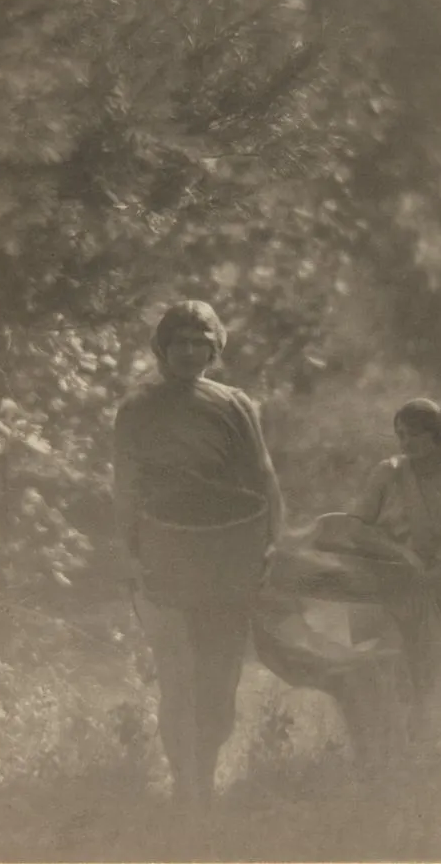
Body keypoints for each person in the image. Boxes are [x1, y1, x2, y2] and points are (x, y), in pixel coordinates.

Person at [113, 301, 284, 809]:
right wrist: (127, 551)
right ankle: (186, 786)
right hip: (164, 550)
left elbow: (263, 476)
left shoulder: (234, 404)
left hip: (226, 549)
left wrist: (273, 541)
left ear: (215, 347)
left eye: (199, 342)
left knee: (219, 674)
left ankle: (204, 773)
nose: (189, 352)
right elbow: (125, 483)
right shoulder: (138, 408)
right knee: (176, 671)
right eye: (179, 342)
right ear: (162, 348)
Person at [350, 398, 441, 741]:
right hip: (384, 581)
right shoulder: (387, 473)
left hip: (436, 586)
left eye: (413, 435)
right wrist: (396, 554)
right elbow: (358, 527)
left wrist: (423, 579)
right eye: (400, 435)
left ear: (437, 439)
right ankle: (385, 742)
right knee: (383, 660)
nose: (404, 443)